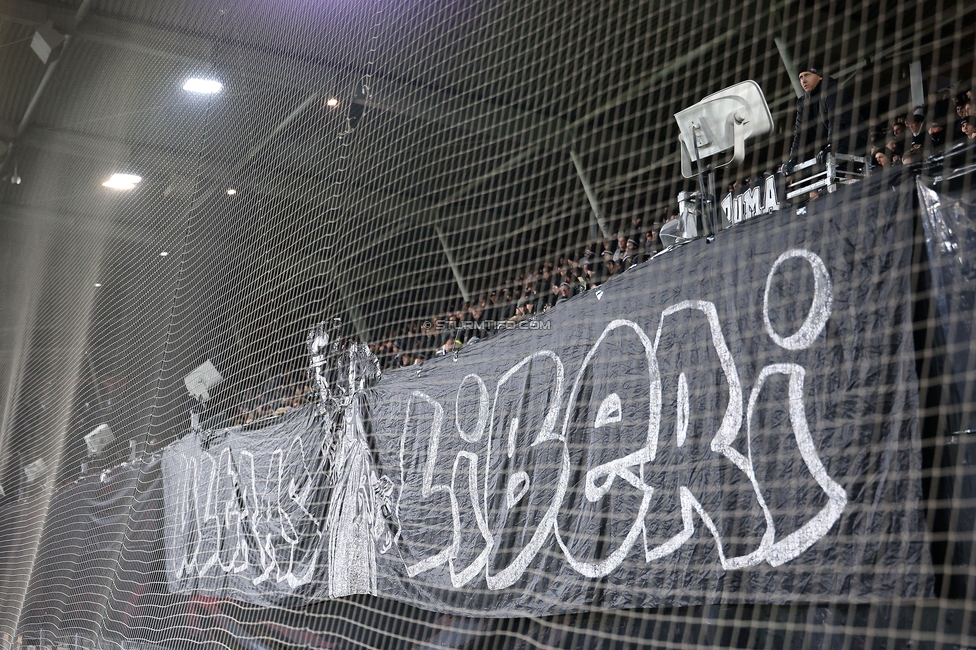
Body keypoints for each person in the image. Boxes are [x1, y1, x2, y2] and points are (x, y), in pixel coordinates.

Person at [782, 62, 862, 175]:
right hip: (831, 147)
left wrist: (832, 145)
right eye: (801, 77)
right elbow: (800, 133)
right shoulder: (803, 102)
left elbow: (837, 120)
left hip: (853, 141)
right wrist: (792, 159)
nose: (803, 80)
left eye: (807, 75)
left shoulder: (831, 88)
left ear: (820, 76)